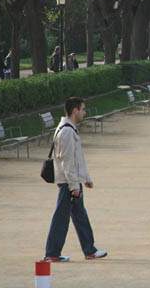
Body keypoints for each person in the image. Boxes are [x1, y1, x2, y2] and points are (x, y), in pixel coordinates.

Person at [43, 97, 107, 262]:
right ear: (75, 111)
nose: (84, 112)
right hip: (68, 183)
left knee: (79, 216)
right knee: (62, 219)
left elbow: (76, 159)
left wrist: (85, 178)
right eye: (83, 109)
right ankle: (52, 253)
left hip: (71, 182)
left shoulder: (69, 129)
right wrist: (74, 186)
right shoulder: (66, 131)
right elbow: (67, 161)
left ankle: (89, 250)